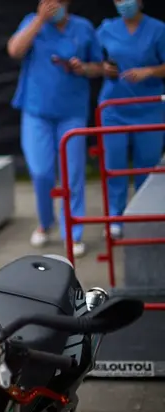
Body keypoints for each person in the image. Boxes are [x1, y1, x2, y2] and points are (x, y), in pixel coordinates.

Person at [7, 0, 104, 257]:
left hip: (71, 112)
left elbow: (99, 66)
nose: (51, 5)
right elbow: (15, 50)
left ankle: (73, 232)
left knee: (72, 173)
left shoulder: (83, 28)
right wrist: (39, 20)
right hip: (36, 111)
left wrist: (83, 68)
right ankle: (45, 222)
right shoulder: (32, 22)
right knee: (41, 172)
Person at [97, 0, 165, 239]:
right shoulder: (106, 28)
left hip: (149, 107)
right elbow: (94, 63)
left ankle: (142, 215)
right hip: (114, 108)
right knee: (114, 164)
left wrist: (150, 71)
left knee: (146, 164)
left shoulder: (158, 29)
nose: (123, 3)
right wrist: (104, 68)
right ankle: (115, 218)